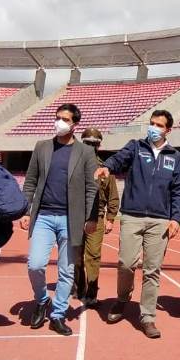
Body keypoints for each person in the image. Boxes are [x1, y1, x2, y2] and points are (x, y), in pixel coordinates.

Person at [95, 109, 180, 339]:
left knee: (152, 270)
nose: (153, 127)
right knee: (126, 263)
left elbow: (179, 190)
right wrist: (108, 166)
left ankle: (147, 317)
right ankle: (123, 298)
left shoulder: (175, 157)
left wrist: (175, 218)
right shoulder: (136, 147)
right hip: (132, 216)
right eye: (152, 123)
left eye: (159, 125)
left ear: (168, 130)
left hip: (160, 220)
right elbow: (118, 159)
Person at [18, 104, 99, 335]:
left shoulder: (85, 153)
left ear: (75, 124)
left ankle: (58, 314)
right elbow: (31, 181)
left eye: (65, 119)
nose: (60, 122)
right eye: (57, 118)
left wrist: (90, 217)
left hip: (70, 219)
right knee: (35, 264)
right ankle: (42, 300)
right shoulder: (42, 147)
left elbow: (91, 188)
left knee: (67, 271)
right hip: (43, 215)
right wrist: (25, 211)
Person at [73, 127, 119, 308]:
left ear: (99, 146)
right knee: (76, 256)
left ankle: (91, 293)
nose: (90, 147)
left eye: (94, 144)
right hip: (75, 217)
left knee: (92, 256)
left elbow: (112, 195)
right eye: (87, 143)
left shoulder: (105, 168)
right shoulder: (73, 165)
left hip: (97, 218)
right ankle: (79, 288)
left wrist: (111, 218)